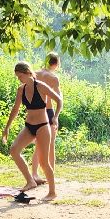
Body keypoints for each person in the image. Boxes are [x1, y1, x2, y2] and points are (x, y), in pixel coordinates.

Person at [4, 61, 62, 201]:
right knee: (14, 150)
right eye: (17, 77)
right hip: (29, 126)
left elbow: (59, 100)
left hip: (43, 126)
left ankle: (52, 192)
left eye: (20, 76)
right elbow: (15, 109)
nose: (19, 79)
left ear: (27, 73)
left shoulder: (41, 86)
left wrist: (55, 117)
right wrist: (7, 127)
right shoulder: (21, 89)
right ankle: (30, 181)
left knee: (43, 162)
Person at [30, 52, 64, 185]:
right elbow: (59, 100)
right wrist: (56, 116)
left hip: (36, 112)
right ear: (55, 64)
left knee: (38, 145)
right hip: (48, 112)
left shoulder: (34, 74)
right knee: (50, 145)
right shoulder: (53, 78)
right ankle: (51, 175)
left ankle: (34, 173)